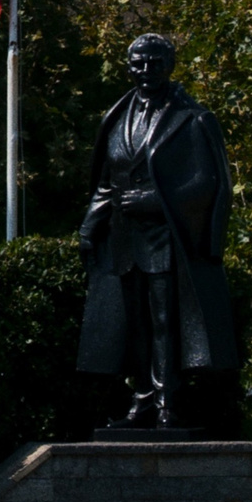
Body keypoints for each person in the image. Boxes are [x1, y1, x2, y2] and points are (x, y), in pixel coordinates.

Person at [76, 34, 235, 431]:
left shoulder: (191, 118)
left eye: (155, 62)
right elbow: (107, 182)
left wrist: (156, 200)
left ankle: (167, 402)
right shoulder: (117, 118)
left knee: (165, 322)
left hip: (167, 239)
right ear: (128, 67)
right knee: (135, 325)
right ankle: (143, 399)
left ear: (170, 65)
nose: (146, 70)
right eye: (138, 63)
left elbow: (207, 182)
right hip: (124, 239)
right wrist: (90, 224)